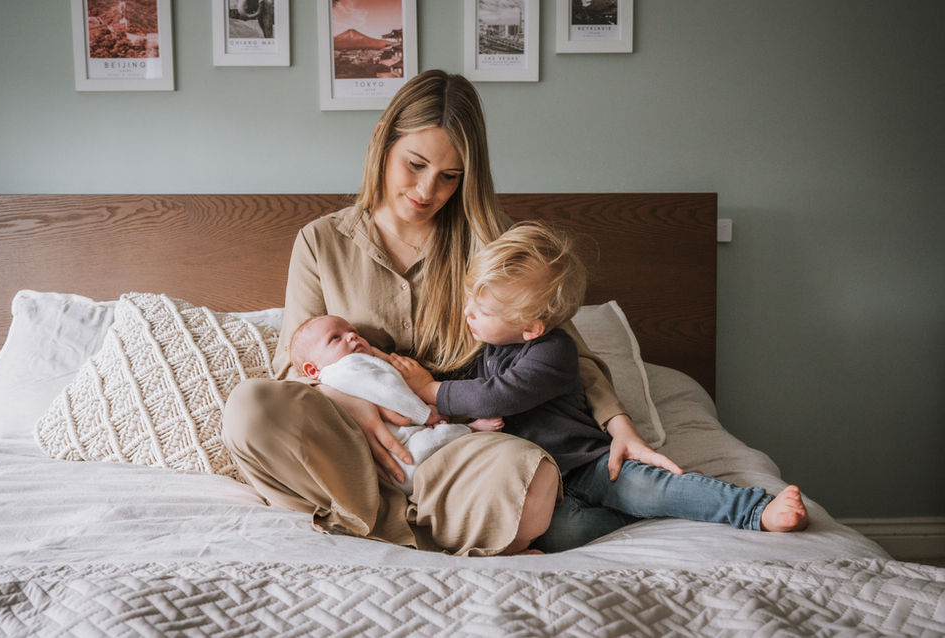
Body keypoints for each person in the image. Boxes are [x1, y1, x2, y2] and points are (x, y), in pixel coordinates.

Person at [222, 69, 669, 556]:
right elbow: (293, 369)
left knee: (531, 471)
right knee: (250, 408)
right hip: (349, 451)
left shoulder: (495, 241)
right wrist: (351, 402)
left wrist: (618, 423)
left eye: (449, 176)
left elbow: (565, 354)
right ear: (382, 141)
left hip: (456, 448)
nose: (426, 190)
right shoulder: (320, 241)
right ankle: (443, 528)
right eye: (415, 164)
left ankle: (372, 523)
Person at [391, 221, 810, 552]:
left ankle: (754, 509)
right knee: (562, 534)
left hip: (588, 465)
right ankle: (659, 507)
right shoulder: (488, 349)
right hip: (540, 484)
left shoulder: (554, 352)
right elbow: (470, 395)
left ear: (532, 327)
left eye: (482, 310)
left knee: (643, 488)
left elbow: (496, 396)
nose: (467, 313)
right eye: (471, 300)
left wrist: (430, 389)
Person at [287, 314, 504, 495]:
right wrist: (426, 414)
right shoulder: (348, 367)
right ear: (312, 370)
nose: (352, 336)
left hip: (387, 465)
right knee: (436, 439)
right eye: (335, 338)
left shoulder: (334, 379)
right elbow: (389, 392)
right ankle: (471, 429)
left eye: (354, 332)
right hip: (405, 455)